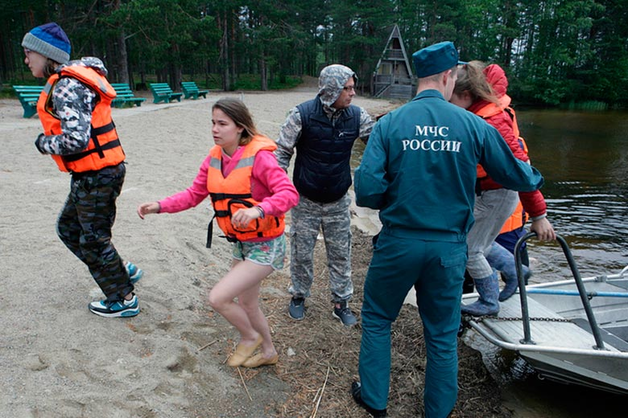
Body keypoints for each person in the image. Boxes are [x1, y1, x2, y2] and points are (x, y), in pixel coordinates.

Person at [350, 41, 545, 418]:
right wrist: (537, 181)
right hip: (448, 248)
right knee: (441, 335)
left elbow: (368, 192)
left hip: (398, 242)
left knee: (377, 319)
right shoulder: (473, 124)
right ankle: (436, 412)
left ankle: (375, 401)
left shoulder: (390, 123)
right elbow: (515, 173)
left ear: (419, 77)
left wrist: (401, 191)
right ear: (448, 76)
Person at [137, 98, 298, 368]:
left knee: (218, 297)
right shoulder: (215, 157)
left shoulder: (260, 157)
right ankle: (269, 351)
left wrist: (259, 210)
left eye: (222, 123)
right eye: (213, 122)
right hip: (241, 244)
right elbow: (193, 194)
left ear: (240, 127)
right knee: (247, 303)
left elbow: (289, 194)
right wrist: (159, 206)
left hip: (266, 245)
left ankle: (249, 337)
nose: (215, 129)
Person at [23, 22, 143, 318]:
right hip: (99, 173)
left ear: (45, 54)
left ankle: (124, 298)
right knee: (69, 228)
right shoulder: (70, 80)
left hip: (97, 176)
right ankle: (116, 268)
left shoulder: (66, 85)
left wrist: (43, 143)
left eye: (29, 54)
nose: (26, 60)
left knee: (92, 241)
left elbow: (76, 140)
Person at [450, 61, 555, 310]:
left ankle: (489, 300)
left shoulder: (493, 122)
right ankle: (517, 270)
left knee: (467, 249)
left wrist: (539, 215)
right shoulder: (477, 112)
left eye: (450, 100)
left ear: (466, 95)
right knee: (479, 240)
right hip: (488, 193)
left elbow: (522, 171)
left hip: (496, 195)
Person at [275, 64, 375, 326]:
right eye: (348, 88)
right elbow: (282, 152)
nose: (353, 93)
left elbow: (379, 144)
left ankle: (341, 303)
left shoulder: (357, 117)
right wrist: (276, 189)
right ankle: (298, 296)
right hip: (305, 200)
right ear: (332, 90)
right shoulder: (302, 115)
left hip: (338, 200)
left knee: (341, 253)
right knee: (301, 252)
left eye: (354, 87)